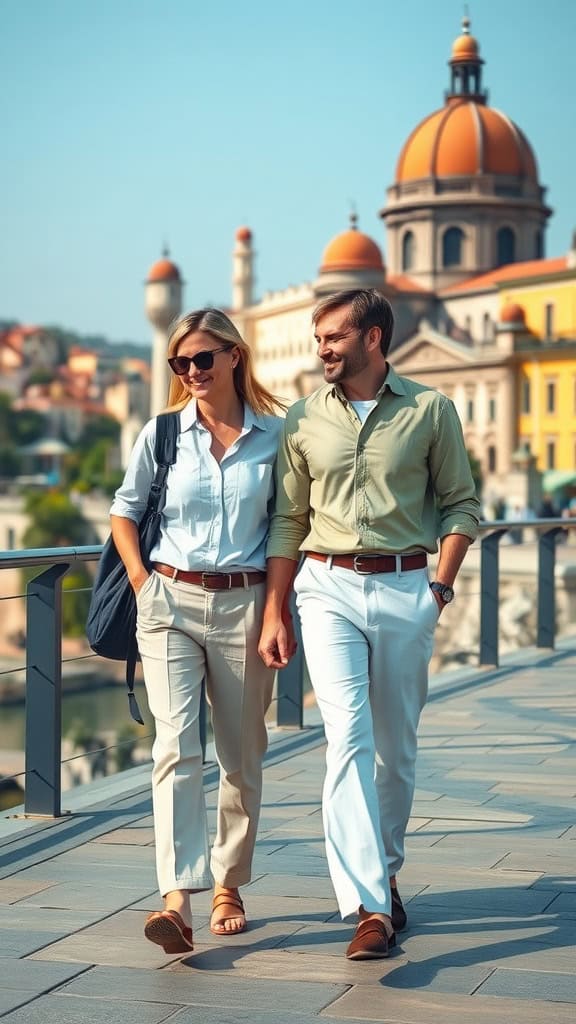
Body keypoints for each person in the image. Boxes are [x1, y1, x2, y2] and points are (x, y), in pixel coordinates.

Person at [258, 289, 480, 960]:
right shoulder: (302, 419)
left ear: (374, 338)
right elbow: (288, 521)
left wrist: (438, 586)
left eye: (333, 337)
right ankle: (369, 909)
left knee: (395, 748)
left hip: (409, 585)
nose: (321, 347)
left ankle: (383, 871)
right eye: (318, 336)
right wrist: (276, 605)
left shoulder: (430, 411)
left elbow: (462, 505)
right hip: (325, 587)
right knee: (346, 735)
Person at [110, 308, 287, 954]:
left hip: (245, 604)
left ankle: (229, 882)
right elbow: (124, 512)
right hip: (170, 602)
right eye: (179, 363)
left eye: (202, 360)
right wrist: (142, 582)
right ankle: (177, 899)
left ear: (235, 356)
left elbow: (286, 531)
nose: (190, 372)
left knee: (241, 755)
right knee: (175, 747)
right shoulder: (161, 434)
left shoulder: (277, 435)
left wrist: (276, 608)